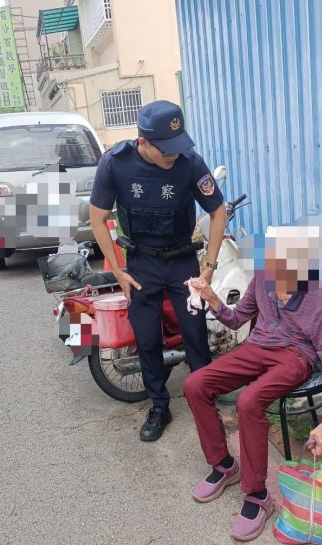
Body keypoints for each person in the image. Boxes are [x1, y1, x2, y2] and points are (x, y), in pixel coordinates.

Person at [183, 225, 322, 541]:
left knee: (249, 401)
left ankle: (257, 495)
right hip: (257, 347)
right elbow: (236, 320)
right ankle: (224, 465)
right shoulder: (262, 278)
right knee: (195, 384)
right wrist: (211, 296)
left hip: (295, 356)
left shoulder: (317, 300)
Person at [89, 100, 228, 442]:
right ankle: (159, 406)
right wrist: (118, 271)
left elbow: (218, 211)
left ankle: (204, 402)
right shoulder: (115, 163)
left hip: (183, 262)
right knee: (147, 337)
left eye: (177, 147)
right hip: (141, 264)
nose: (173, 155)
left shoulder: (190, 163)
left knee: (195, 335)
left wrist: (210, 267)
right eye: (165, 149)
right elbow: (97, 216)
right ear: (143, 142)